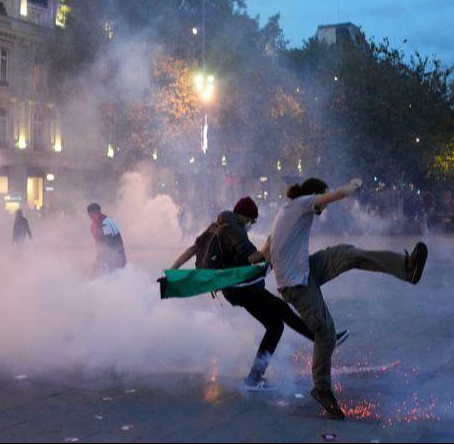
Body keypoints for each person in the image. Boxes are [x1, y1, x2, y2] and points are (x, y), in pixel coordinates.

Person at [267, 178, 429, 420]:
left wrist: (249, 262)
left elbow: (265, 249)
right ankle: (322, 389)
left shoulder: (288, 211)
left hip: (306, 270)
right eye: (321, 202)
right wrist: (352, 186)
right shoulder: (302, 203)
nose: (323, 210)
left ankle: (407, 268)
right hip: (296, 285)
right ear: (314, 196)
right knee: (326, 334)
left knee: (347, 254)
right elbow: (331, 197)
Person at [171, 196, 349, 391]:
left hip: (236, 287)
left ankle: (259, 376)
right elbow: (254, 258)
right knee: (277, 321)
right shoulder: (234, 229)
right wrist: (270, 245)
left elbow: (191, 250)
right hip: (241, 287)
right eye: (251, 220)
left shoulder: (215, 227)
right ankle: (320, 341)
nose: (252, 224)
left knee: (277, 320)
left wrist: (173, 271)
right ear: (242, 215)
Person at [87, 203, 127, 273]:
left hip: (116, 256)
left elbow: (109, 243)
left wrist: (101, 259)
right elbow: (99, 245)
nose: (91, 217)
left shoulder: (106, 224)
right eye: (90, 215)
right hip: (111, 256)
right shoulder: (95, 225)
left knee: (112, 274)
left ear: (98, 212)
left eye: (93, 214)